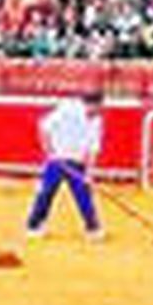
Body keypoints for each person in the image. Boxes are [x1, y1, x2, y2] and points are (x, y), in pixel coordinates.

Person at [25, 89, 105, 240]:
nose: (95, 110)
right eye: (93, 107)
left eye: (98, 107)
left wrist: (89, 172)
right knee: (46, 192)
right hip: (57, 160)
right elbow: (44, 127)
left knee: (83, 194)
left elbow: (93, 148)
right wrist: (50, 152)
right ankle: (34, 225)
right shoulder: (68, 109)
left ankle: (92, 228)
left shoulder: (97, 121)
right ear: (86, 104)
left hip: (77, 162)